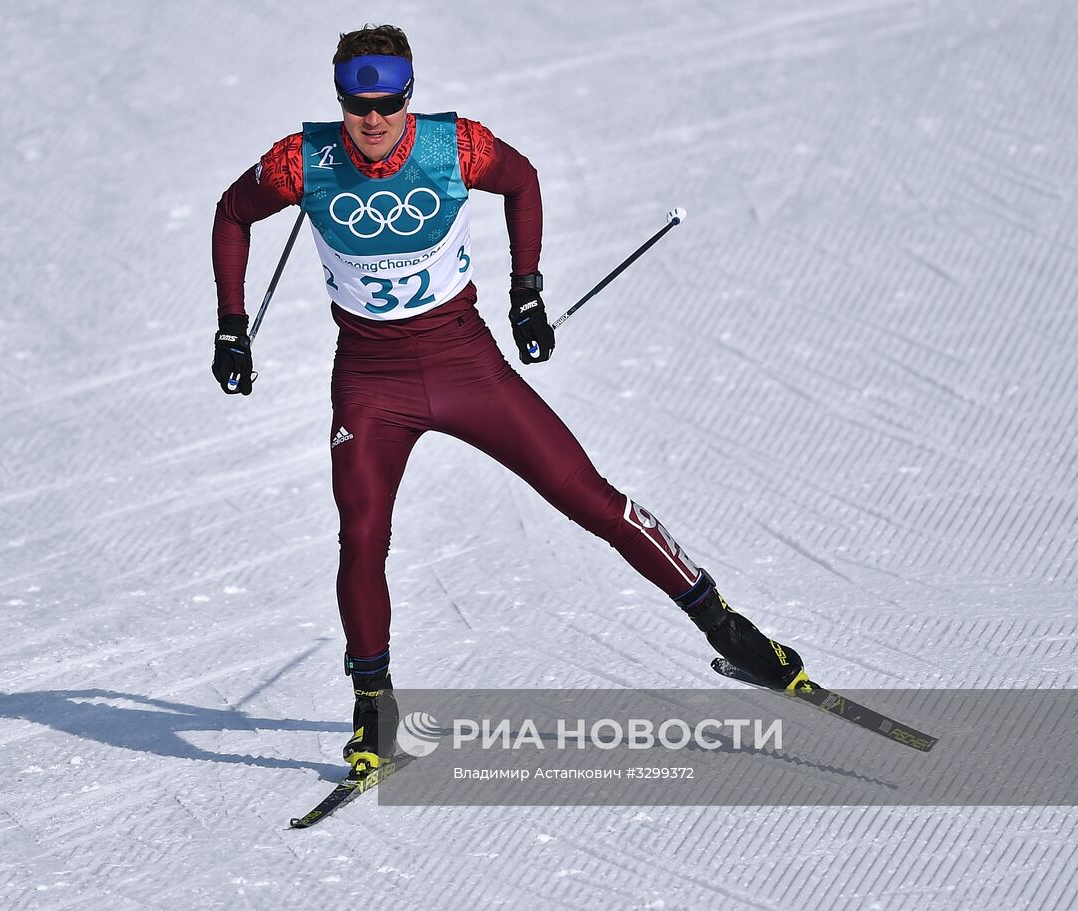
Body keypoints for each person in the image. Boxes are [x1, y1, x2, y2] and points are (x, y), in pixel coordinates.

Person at [210, 24, 808, 777]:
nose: (372, 121)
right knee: (362, 534)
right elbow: (232, 214)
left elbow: (522, 182)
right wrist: (233, 327)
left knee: (587, 496)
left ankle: (730, 631)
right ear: (340, 99)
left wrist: (528, 292)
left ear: (408, 96)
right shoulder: (306, 161)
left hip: (466, 363)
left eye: (388, 103)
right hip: (371, 382)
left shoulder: (453, 147)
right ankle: (375, 710)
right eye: (358, 104)